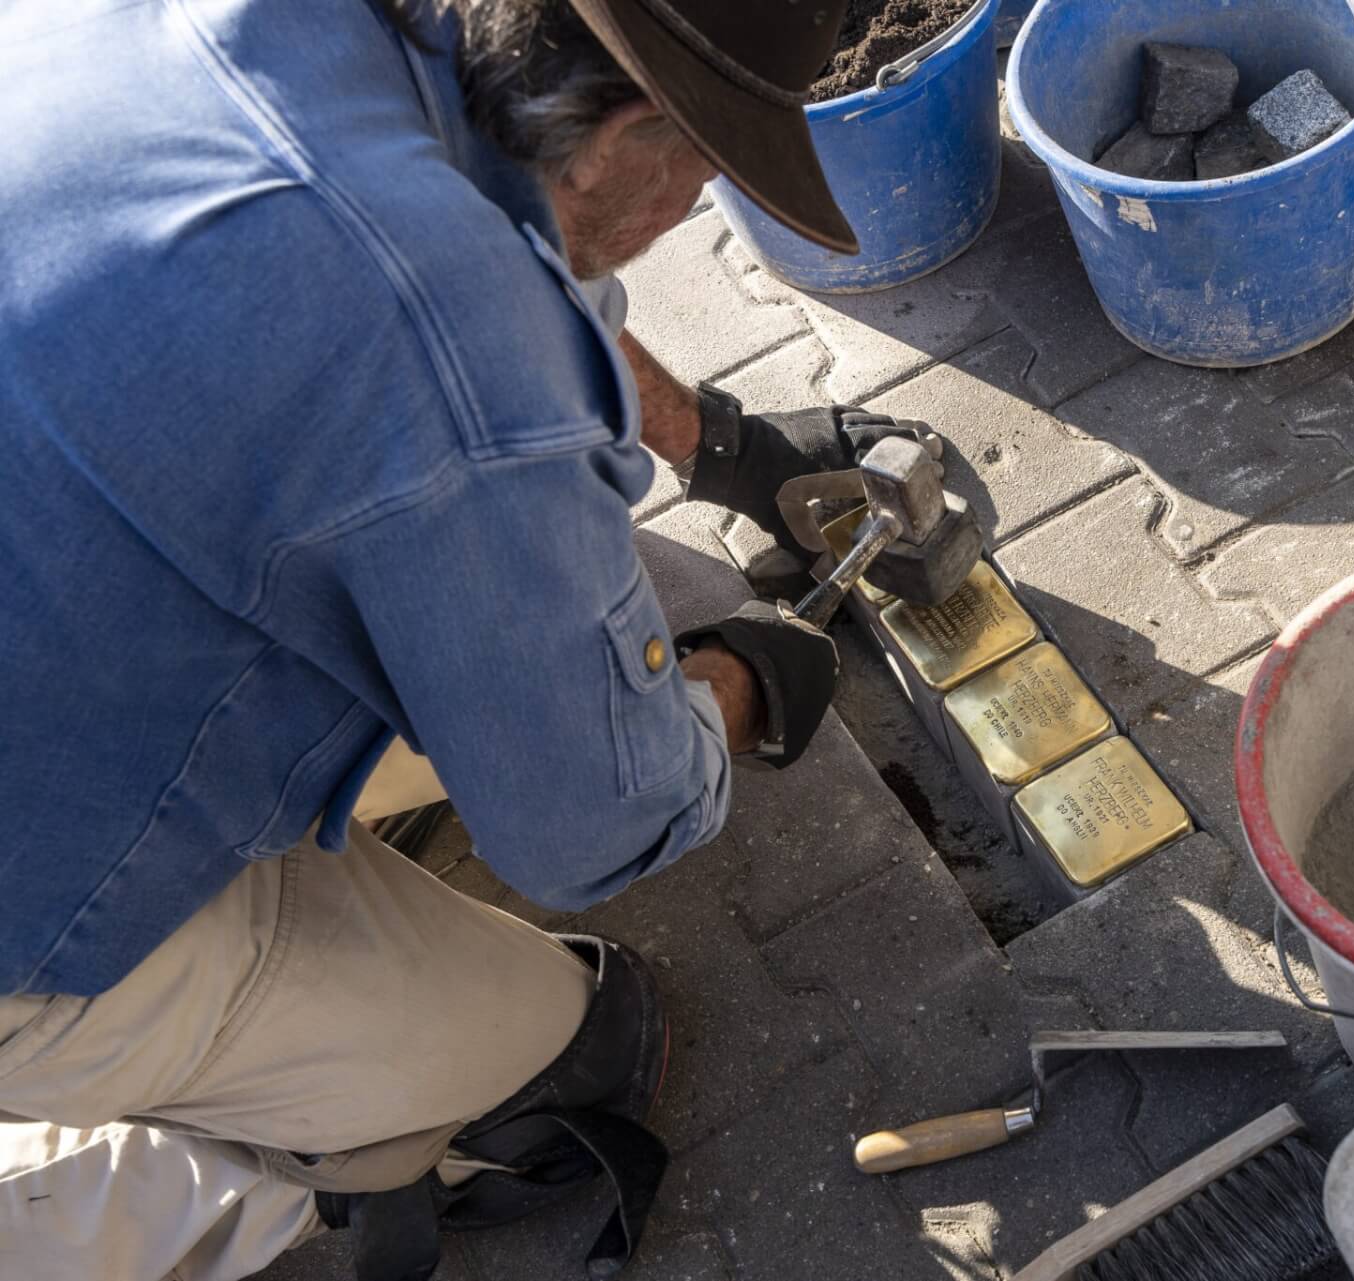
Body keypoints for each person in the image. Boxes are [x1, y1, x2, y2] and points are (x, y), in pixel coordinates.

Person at [0, 1, 922, 1277]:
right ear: (627, 132)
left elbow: (521, 247)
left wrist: (719, 445)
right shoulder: (444, 349)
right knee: (580, 1035)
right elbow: (589, 827)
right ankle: (181, 1179)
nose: (701, 202)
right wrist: (741, 688)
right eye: (708, 165)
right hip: (29, 936)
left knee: (511, 582)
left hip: (57, 652)